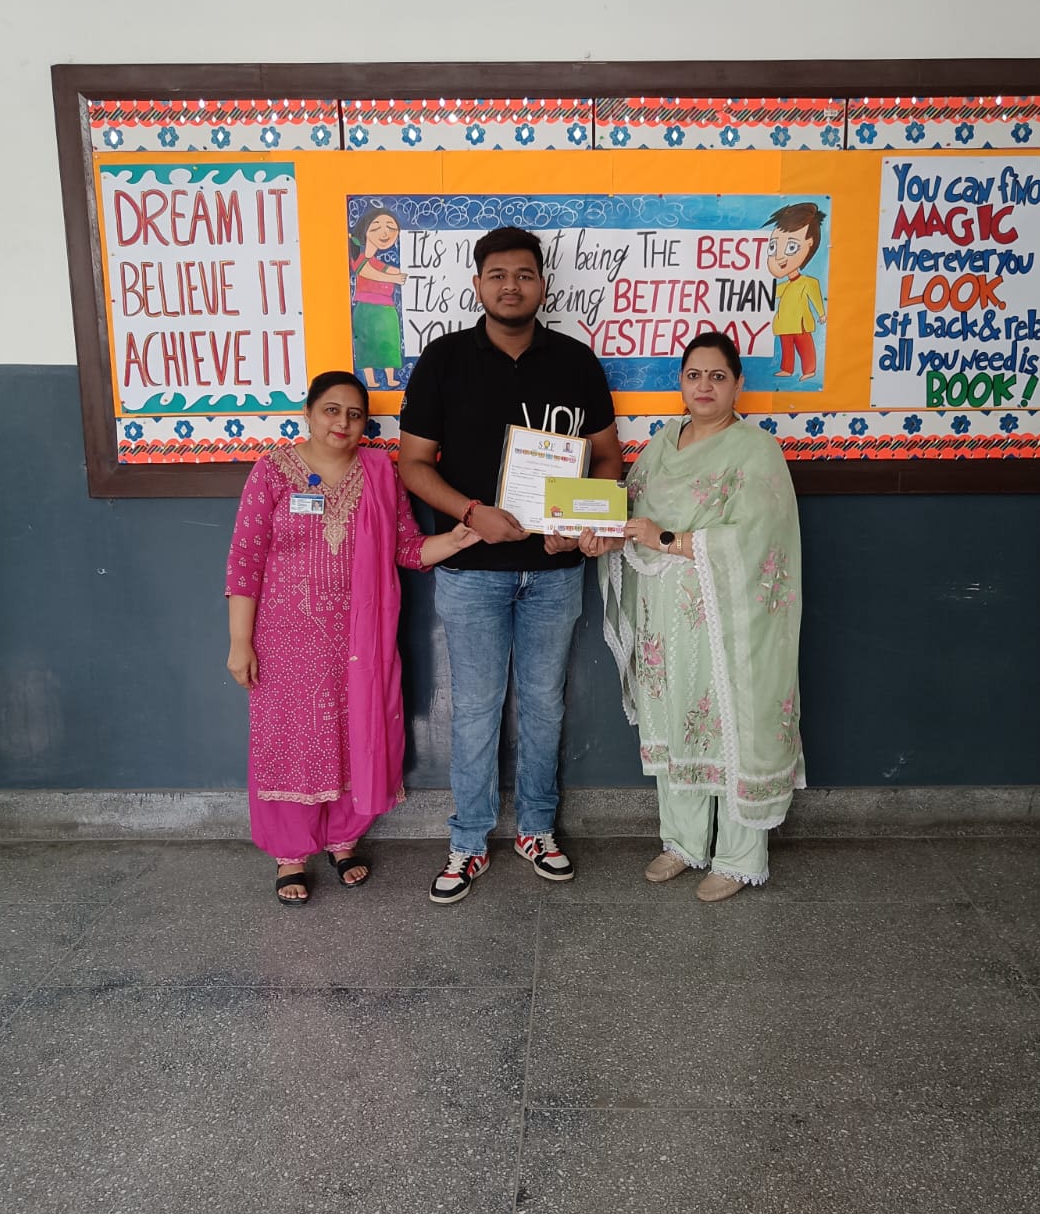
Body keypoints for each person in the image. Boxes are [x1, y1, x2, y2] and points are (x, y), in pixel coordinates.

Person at [398, 226, 623, 904]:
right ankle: (468, 840)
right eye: (497, 275)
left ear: (543, 285)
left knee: (545, 705)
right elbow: (413, 465)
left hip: (555, 573)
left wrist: (577, 525)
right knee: (474, 708)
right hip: (472, 572)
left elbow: (607, 459)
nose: (511, 286)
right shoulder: (443, 360)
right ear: (477, 285)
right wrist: (473, 513)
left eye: (524, 274)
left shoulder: (576, 362)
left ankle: (536, 829)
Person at [225, 370, 479, 904]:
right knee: (291, 741)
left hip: (359, 639)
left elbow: (407, 548)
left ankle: (343, 839)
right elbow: (245, 561)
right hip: (285, 638)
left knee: (354, 733)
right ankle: (290, 854)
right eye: (331, 410)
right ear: (309, 413)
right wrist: (239, 642)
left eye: (355, 414)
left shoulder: (378, 473)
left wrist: (458, 539)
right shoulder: (272, 471)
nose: (342, 422)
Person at [592, 332, 804, 901]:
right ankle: (683, 842)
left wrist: (669, 539)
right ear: (680, 384)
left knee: (729, 723)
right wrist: (600, 535)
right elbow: (629, 516)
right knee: (676, 718)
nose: (704, 386)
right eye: (694, 375)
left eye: (717, 376)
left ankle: (737, 857)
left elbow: (759, 539)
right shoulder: (662, 445)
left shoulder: (755, 451)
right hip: (663, 615)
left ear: (738, 384)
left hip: (725, 616)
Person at [766, 203, 826, 380]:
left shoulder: (809, 282)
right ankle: (787, 368)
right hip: (784, 323)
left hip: (800, 324)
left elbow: (816, 298)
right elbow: (768, 293)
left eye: (791, 247)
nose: (779, 257)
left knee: (804, 345)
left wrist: (821, 314)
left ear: (810, 243)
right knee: (786, 346)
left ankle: (809, 370)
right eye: (773, 248)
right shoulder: (784, 286)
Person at [349, 205, 407, 389]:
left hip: (387, 308)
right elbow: (366, 271)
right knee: (367, 346)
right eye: (376, 227)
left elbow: (384, 269)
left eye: (391, 228)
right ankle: (371, 380)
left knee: (389, 343)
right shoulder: (357, 256)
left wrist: (398, 272)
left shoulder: (375, 261)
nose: (385, 233)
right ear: (365, 230)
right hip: (366, 309)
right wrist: (393, 277)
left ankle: (390, 378)